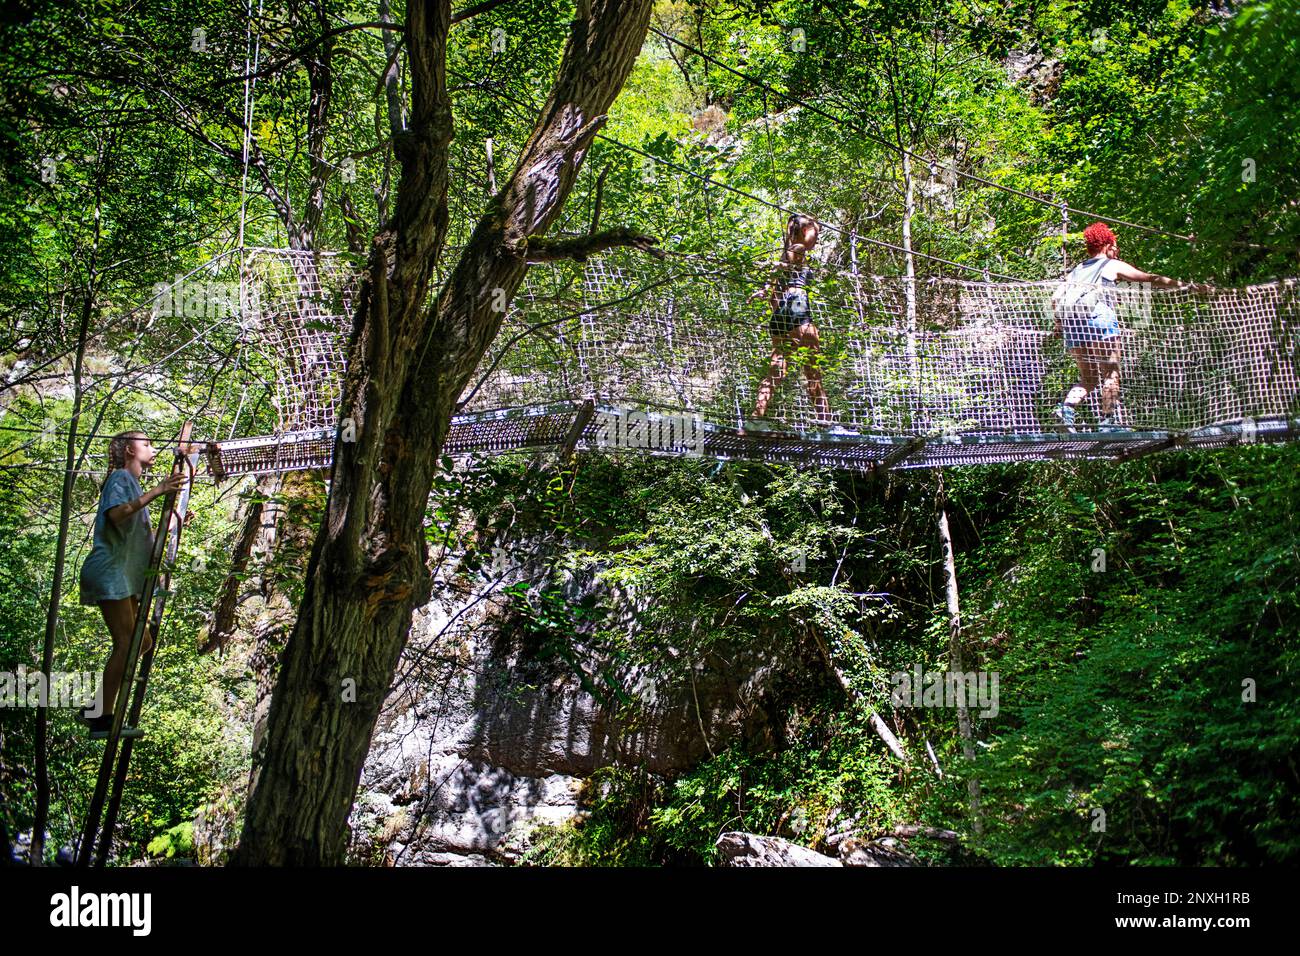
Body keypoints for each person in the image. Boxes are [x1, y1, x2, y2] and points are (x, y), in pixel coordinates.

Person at [1050, 221, 1212, 431]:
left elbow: (1056, 299)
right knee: (1111, 373)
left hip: (1073, 327)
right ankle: (1108, 424)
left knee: (1088, 378)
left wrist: (1058, 327)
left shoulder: (1076, 270)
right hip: (1100, 322)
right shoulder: (1110, 264)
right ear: (1107, 245)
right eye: (1115, 247)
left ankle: (1066, 409)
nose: (1117, 251)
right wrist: (1186, 286)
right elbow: (1149, 279)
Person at [78, 430, 188, 739]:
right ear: (129, 450)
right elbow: (116, 515)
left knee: (141, 642)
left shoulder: (133, 485)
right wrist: (158, 490)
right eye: (147, 443)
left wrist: (175, 521)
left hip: (124, 575)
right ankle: (101, 714)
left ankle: (96, 708)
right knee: (127, 642)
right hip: (109, 571)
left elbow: (138, 538)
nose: (153, 449)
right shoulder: (120, 480)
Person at [750, 212, 845, 429]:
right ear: (804, 231)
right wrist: (775, 277)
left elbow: (776, 287)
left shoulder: (787, 251)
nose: (818, 238)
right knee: (813, 369)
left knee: (776, 370)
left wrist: (767, 288)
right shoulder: (797, 249)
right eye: (816, 232)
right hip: (797, 304)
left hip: (780, 314)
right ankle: (826, 423)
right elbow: (787, 263)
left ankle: (756, 419)